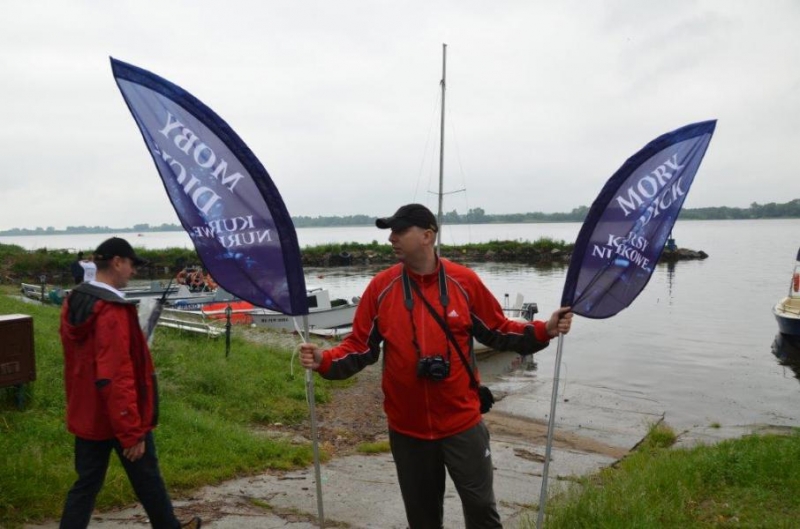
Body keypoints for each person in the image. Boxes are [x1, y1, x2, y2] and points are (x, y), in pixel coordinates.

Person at [299, 204, 573, 529]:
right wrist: (323, 360)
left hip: (462, 423)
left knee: (482, 510)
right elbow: (359, 347)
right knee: (423, 520)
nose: (391, 238)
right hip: (408, 430)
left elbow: (499, 330)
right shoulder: (381, 288)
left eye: (400, 231)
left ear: (427, 236)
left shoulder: (463, 282)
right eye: (391, 231)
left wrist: (545, 329)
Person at [59, 237, 201, 529]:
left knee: (88, 485)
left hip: (87, 411)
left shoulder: (74, 300)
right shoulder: (111, 310)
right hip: (119, 415)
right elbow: (115, 374)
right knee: (146, 476)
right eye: (131, 265)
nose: (133, 271)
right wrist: (130, 430)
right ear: (117, 262)